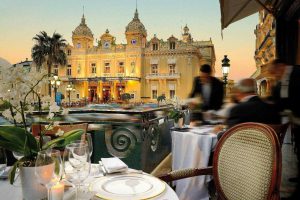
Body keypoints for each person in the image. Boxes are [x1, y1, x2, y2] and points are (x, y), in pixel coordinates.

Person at [268, 58, 300, 199]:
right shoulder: (278, 83)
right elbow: (278, 101)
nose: (274, 75)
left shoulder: (297, 72)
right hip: (293, 121)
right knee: (298, 147)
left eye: (274, 72)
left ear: (281, 66)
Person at [215, 78, 281, 137]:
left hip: (244, 149)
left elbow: (229, 136)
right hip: (270, 149)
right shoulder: (273, 108)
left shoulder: (238, 109)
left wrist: (218, 133)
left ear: (239, 91)